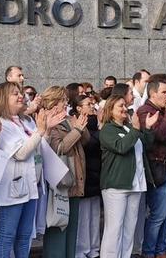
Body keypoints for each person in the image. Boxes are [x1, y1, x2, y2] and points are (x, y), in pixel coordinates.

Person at [0, 81, 62, 258]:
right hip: (12, 189)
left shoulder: (25, 121)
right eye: (15, 93)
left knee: (24, 237)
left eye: (20, 92)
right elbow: (20, 153)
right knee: (7, 236)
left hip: (30, 187)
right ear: (2, 99)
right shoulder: (1, 124)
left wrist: (46, 129)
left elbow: (37, 145)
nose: (21, 96)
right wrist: (40, 131)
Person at [99, 88, 157, 258]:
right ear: (111, 110)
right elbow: (122, 147)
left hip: (135, 184)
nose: (125, 109)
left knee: (129, 229)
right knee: (114, 228)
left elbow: (146, 143)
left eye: (125, 105)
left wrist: (147, 128)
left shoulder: (128, 128)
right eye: (120, 106)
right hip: (116, 185)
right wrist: (136, 129)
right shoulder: (107, 130)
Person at [41, 86, 90, 258]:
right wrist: (76, 130)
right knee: (58, 227)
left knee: (71, 230)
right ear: (54, 102)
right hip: (59, 183)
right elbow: (59, 148)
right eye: (63, 101)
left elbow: (85, 141)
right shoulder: (47, 121)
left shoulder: (68, 119)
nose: (66, 104)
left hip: (75, 180)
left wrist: (81, 126)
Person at [135, 73, 166, 258]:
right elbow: (159, 135)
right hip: (158, 169)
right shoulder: (146, 111)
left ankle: (161, 249)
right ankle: (149, 251)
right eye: (164, 92)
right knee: (157, 216)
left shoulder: (162, 111)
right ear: (153, 94)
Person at [74, 94, 102, 258]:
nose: (92, 106)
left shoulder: (96, 124)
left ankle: (93, 249)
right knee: (83, 218)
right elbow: (86, 143)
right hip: (84, 173)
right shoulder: (78, 123)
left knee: (94, 216)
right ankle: (81, 250)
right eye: (88, 104)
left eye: (93, 103)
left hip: (96, 173)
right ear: (78, 108)